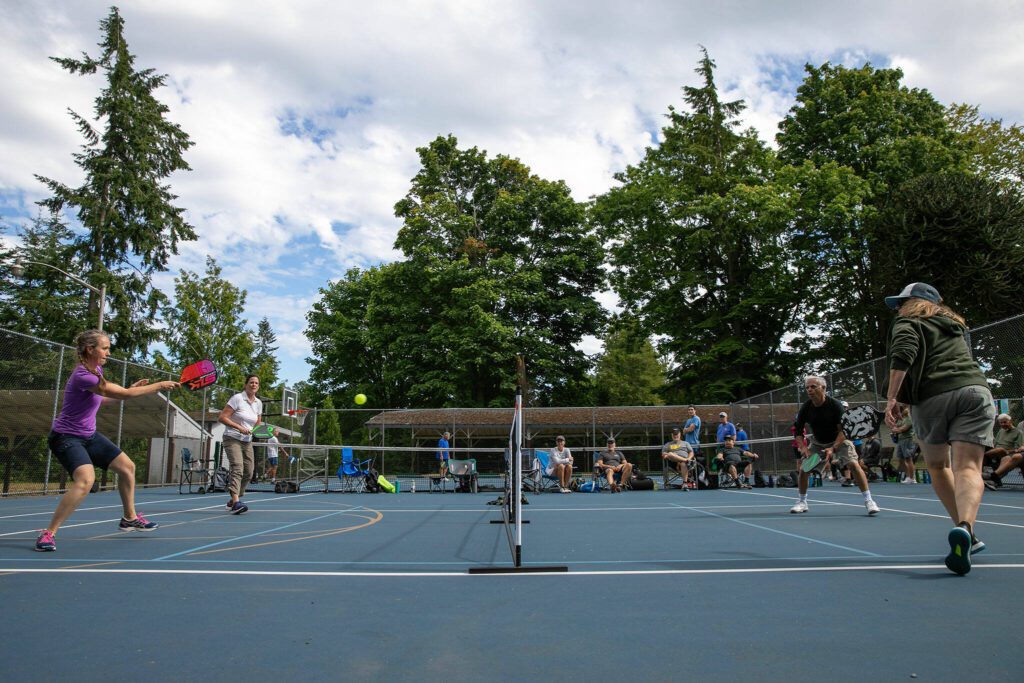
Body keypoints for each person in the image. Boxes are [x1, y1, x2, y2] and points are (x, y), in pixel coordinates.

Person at [883, 282, 996, 575]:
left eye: (900, 303)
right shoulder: (953, 326)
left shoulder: (908, 321)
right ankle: (966, 527)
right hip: (975, 391)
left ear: (912, 303)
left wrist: (893, 397)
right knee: (969, 467)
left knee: (936, 465)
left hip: (933, 397)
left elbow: (904, 353)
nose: (897, 308)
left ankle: (964, 530)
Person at [35, 330, 180, 552]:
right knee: (85, 480)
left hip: (88, 435)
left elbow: (101, 399)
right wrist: (159, 385)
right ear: (90, 349)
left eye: (108, 348)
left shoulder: (96, 370)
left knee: (127, 467)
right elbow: (123, 395)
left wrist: (129, 390)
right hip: (66, 437)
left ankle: (129, 518)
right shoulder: (84, 375)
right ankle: (48, 533)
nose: (108, 353)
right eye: (104, 348)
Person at [790, 375, 880, 516]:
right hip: (818, 442)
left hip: (840, 439)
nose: (809, 390)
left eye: (813, 386)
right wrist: (803, 448)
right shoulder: (806, 408)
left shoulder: (835, 405)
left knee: (853, 465)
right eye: (807, 387)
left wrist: (833, 448)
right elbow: (798, 432)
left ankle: (869, 501)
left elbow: (844, 430)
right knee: (803, 470)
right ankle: (802, 502)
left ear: (823, 388)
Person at [218, 374, 263, 515]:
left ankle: (233, 499)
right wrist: (239, 427)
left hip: (246, 441)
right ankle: (236, 502)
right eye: (251, 382)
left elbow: (258, 422)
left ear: (258, 386)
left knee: (249, 472)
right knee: (238, 467)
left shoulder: (258, 403)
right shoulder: (237, 398)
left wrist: (253, 431)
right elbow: (222, 417)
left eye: (256, 383)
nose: (254, 384)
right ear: (246, 384)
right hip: (232, 438)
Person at [983, 414, 1024, 490]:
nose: (1003, 424)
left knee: (1000, 450)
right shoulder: (1001, 431)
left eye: (1005, 422)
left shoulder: (1018, 432)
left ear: (1010, 421)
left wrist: (1010, 451)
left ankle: (991, 476)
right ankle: (982, 476)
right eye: (1001, 423)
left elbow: (1018, 449)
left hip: (1007, 452)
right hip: (996, 452)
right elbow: (995, 444)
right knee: (987, 449)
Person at [891, 404, 919, 484]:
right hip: (900, 440)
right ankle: (908, 477)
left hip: (908, 440)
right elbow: (895, 427)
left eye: (898, 411)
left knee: (908, 459)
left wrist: (896, 430)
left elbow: (904, 428)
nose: (897, 413)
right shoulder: (901, 419)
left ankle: (912, 478)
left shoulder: (908, 417)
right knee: (900, 459)